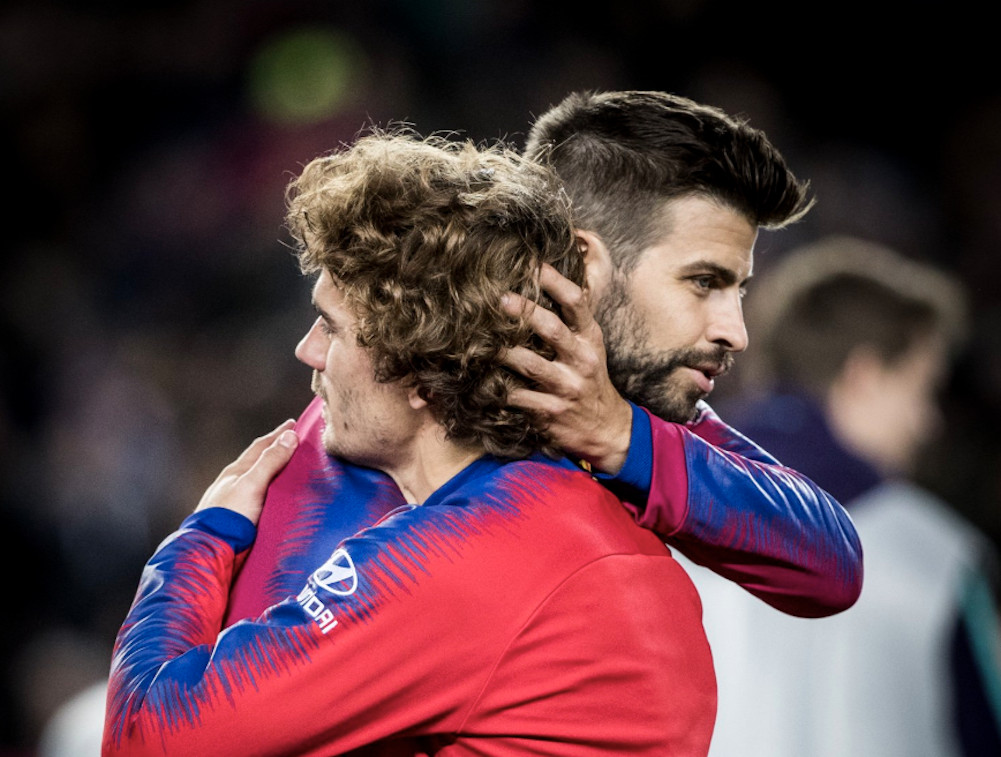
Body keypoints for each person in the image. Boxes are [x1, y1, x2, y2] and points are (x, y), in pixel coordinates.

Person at [102, 131, 717, 756]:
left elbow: (145, 737)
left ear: (422, 374)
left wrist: (202, 538)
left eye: (332, 328)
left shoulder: (456, 563)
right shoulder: (582, 514)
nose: (307, 351)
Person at [226, 90, 863, 629]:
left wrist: (619, 438)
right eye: (703, 282)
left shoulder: (628, 413)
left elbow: (831, 567)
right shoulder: (385, 398)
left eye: (739, 289)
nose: (735, 332)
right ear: (585, 266)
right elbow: (241, 709)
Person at [697, 235, 1001, 756]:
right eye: (921, 388)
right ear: (863, 376)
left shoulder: (656, 515)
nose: (927, 423)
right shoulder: (937, 553)